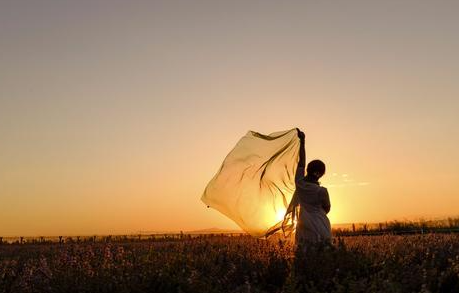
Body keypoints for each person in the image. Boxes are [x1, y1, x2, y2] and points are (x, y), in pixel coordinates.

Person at [284, 128, 332, 245]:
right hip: (321, 226)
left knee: (304, 256)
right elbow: (327, 209)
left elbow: (301, 162)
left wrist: (303, 141)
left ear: (308, 170)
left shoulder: (299, 182)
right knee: (322, 257)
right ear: (319, 174)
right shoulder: (322, 191)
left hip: (303, 227)